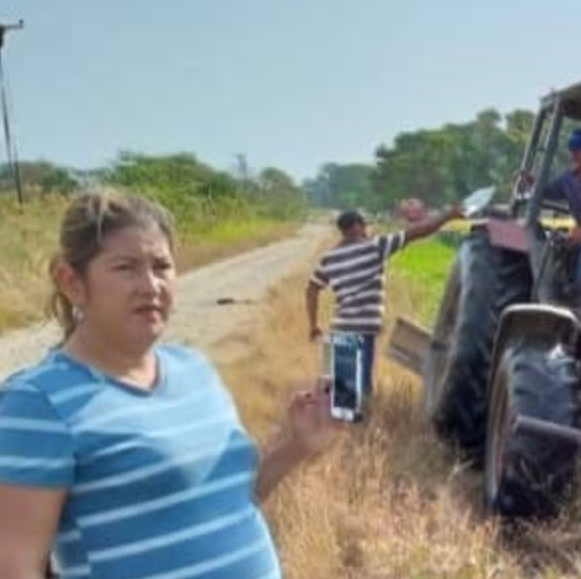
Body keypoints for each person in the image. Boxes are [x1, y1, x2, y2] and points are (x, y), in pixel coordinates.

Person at [0, 189, 344, 578]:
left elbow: (225, 498)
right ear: (72, 282)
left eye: (161, 266)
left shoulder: (194, 369)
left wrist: (297, 448)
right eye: (126, 267)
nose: (151, 285)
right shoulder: (38, 404)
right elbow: (15, 567)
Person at [306, 200, 463, 410]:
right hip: (363, 330)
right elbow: (417, 232)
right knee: (362, 395)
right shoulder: (375, 247)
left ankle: (329, 432)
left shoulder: (329, 258)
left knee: (341, 401)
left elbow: (311, 289)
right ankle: (357, 435)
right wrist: (448, 216)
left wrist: (313, 325)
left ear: (342, 231)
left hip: (339, 328)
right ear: (359, 226)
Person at [518, 127, 581, 283]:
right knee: (558, 245)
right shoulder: (568, 180)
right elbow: (547, 190)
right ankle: (562, 289)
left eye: (579, 150)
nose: (575, 155)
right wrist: (532, 182)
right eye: (573, 150)